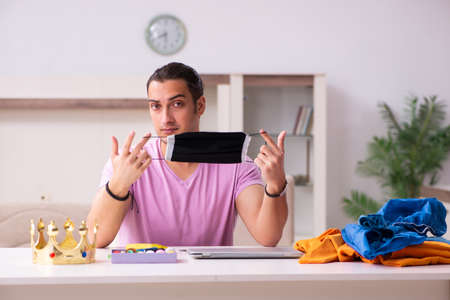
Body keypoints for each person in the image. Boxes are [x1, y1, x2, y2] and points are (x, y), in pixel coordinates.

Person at [87, 62, 288, 247]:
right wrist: (118, 184)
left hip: (209, 282)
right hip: (142, 281)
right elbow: (93, 239)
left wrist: (276, 185)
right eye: (156, 106)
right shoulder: (127, 164)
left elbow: (268, 237)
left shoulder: (237, 164)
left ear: (199, 106)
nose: (165, 119)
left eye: (177, 104)